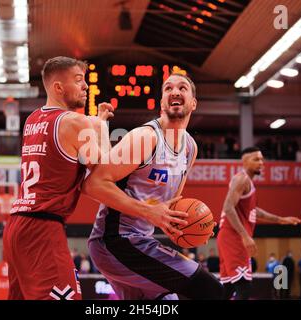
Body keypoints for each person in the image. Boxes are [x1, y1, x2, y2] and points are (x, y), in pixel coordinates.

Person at [83, 73, 224, 300]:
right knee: (211, 290)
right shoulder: (145, 137)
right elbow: (93, 184)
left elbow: (170, 206)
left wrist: (193, 226)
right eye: (168, 88)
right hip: (114, 241)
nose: (175, 91)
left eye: (182, 88)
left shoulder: (190, 147)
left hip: (142, 241)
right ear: (161, 103)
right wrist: (149, 212)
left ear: (193, 103)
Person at [3, 56, 114, 300]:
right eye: (78, 80)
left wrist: (95, 124)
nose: (85, 86)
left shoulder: (32, 120)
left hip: (16, 226)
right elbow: (105, 170)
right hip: (42, 227)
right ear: (58, 87)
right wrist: (102, 128)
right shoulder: (75, 121)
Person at [217, 146, 301, 300]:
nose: (261, 162)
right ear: (244, 161)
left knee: (228, 288)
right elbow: (228, 208)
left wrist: (280, 219)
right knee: (244, 287)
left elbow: (253, 210)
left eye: (262, 159)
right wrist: (245, 236)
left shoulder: (247, 182)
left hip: (229, 236)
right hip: (233, 236)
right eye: (256, 159)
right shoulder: (241, 179)